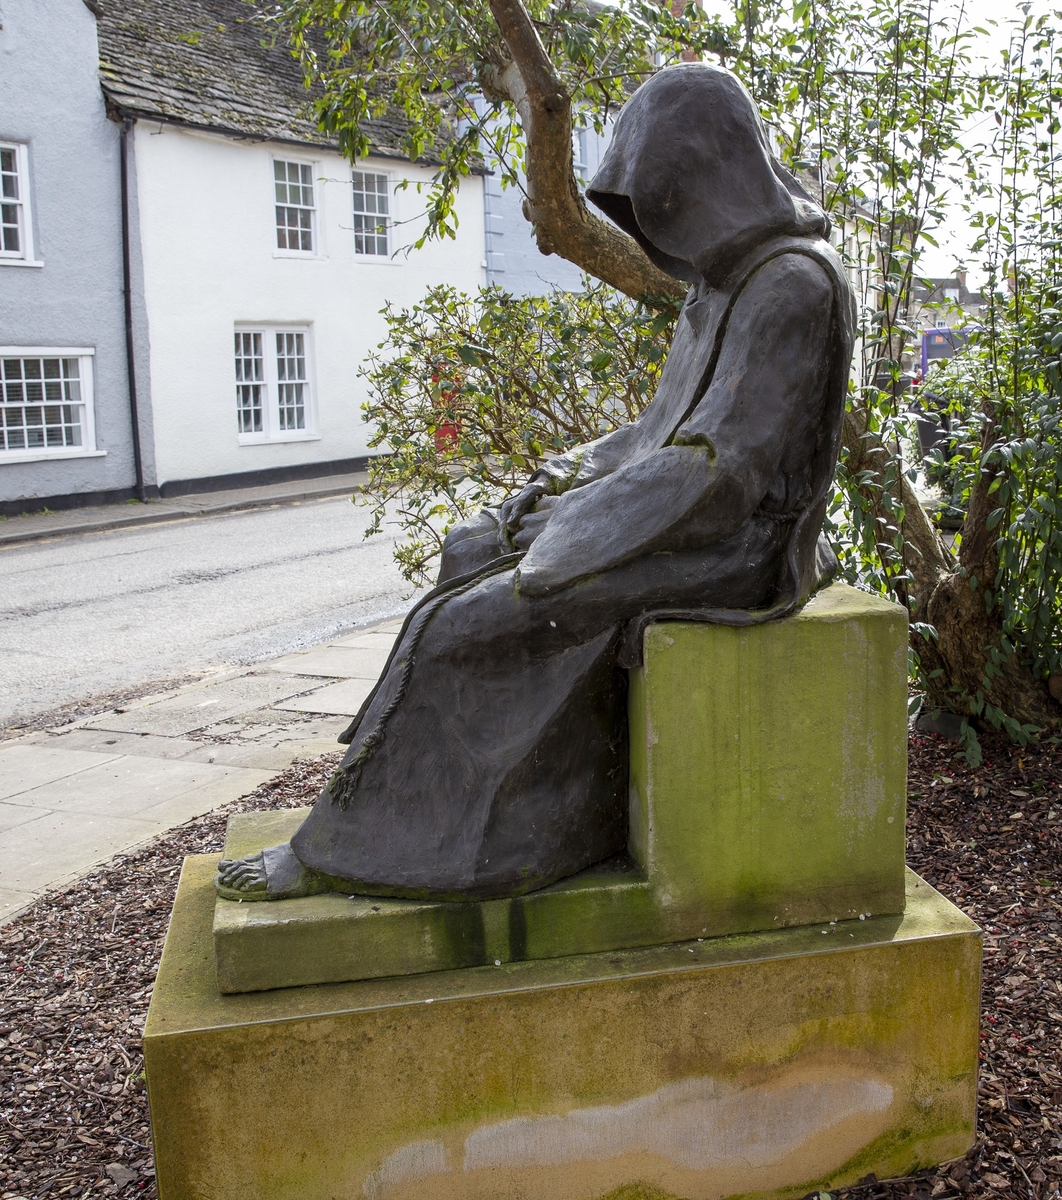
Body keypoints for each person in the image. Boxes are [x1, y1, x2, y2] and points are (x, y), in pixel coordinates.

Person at [215, 61, 855, 903]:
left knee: (481, 621)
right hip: (683, 513)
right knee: (471, 544)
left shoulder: (793, 287)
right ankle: (474, 807)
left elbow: (719, 472)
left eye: (659, 201)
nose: (654, 227)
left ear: (706, 180)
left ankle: (377, 850)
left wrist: (573, 525)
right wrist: (562, 479)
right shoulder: (722, 288)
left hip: (742, 549)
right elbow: (656, 433)